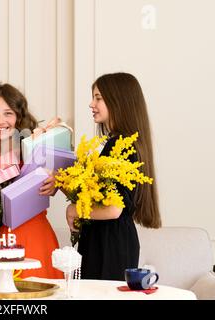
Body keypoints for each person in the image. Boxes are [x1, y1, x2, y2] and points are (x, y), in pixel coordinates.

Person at [65, 72, 161, 280]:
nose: (91, 104)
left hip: (109, 244)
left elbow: (113, 209)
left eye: (98, 98)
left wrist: (75, 209)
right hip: (112, 240)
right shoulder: (122, 143)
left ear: (118, 101)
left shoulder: (119, 145)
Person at [0, 83, 64, 279]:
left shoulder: (37, 148)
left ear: (18, 116)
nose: (0, 121)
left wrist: (58, 181)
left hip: (35, 240)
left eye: (8, 113)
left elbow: (69, 185)